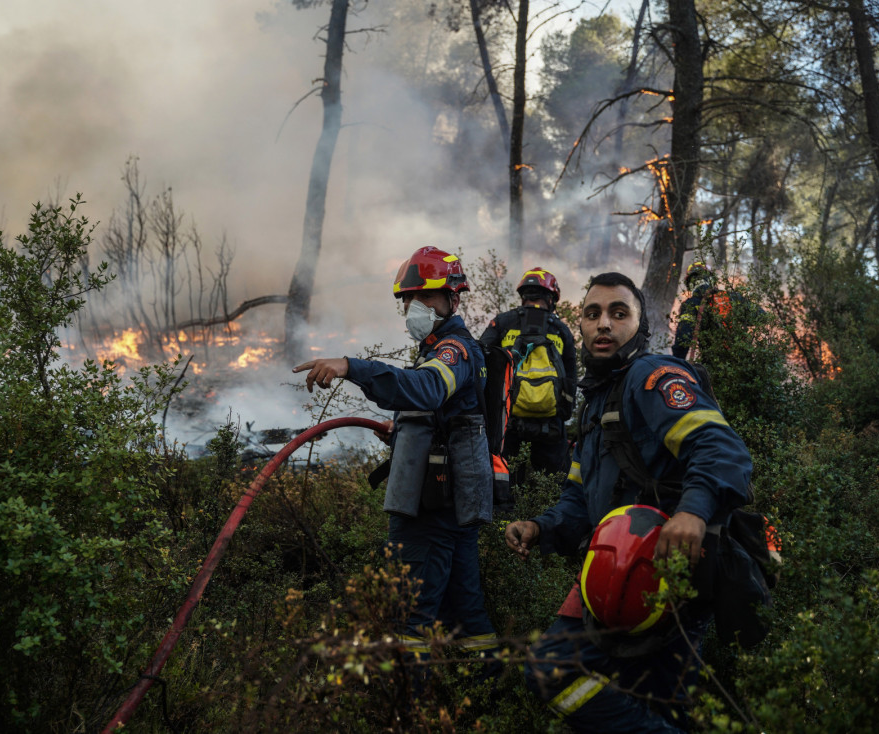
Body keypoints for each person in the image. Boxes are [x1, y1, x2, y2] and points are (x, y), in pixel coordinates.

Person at [504, 272, 753, 733]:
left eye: (619, 313)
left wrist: (692, 512)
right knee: (646, 701)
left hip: (667, 575)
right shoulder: (594, 402)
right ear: (578, 326)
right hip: (615, 572)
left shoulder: (650, 378)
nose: (604, 324)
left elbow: (722, 449)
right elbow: (580, 497)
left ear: (640, 326)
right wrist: (542, 527)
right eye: (593, 313)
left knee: (561, 671)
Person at [293, 245, 498, 667]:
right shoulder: (439, 349)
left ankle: (408, 707)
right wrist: (405, 428)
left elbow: (425, 389)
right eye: (408, 298)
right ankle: (487, 692)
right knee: (466, 613)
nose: (413, 306)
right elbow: (444, 412)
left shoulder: (454, 350)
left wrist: (353, 366)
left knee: (409, 615)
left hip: (433, 510)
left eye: (424, 296)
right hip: (453, 503)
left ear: (452, 299)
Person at [479, 268, 576, 491]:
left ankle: (503, 523)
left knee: (505, 482)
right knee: (555, 486)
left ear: (524, 296)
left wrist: (491, 410)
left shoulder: (502, 323)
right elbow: (570, 376)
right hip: (551, 425)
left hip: (508, 420)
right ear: (551, 298)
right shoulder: (561, 330)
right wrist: (563, 415)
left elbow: (481, 358)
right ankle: (548, 522)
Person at [672, 260, 753, 360]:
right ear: (711, 280)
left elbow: (683, 341)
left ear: (691, 284)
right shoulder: (733, 297)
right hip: (746, 362)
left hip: (714, 368)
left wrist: (676, 365)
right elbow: (762, 317)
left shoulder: (691, 305)